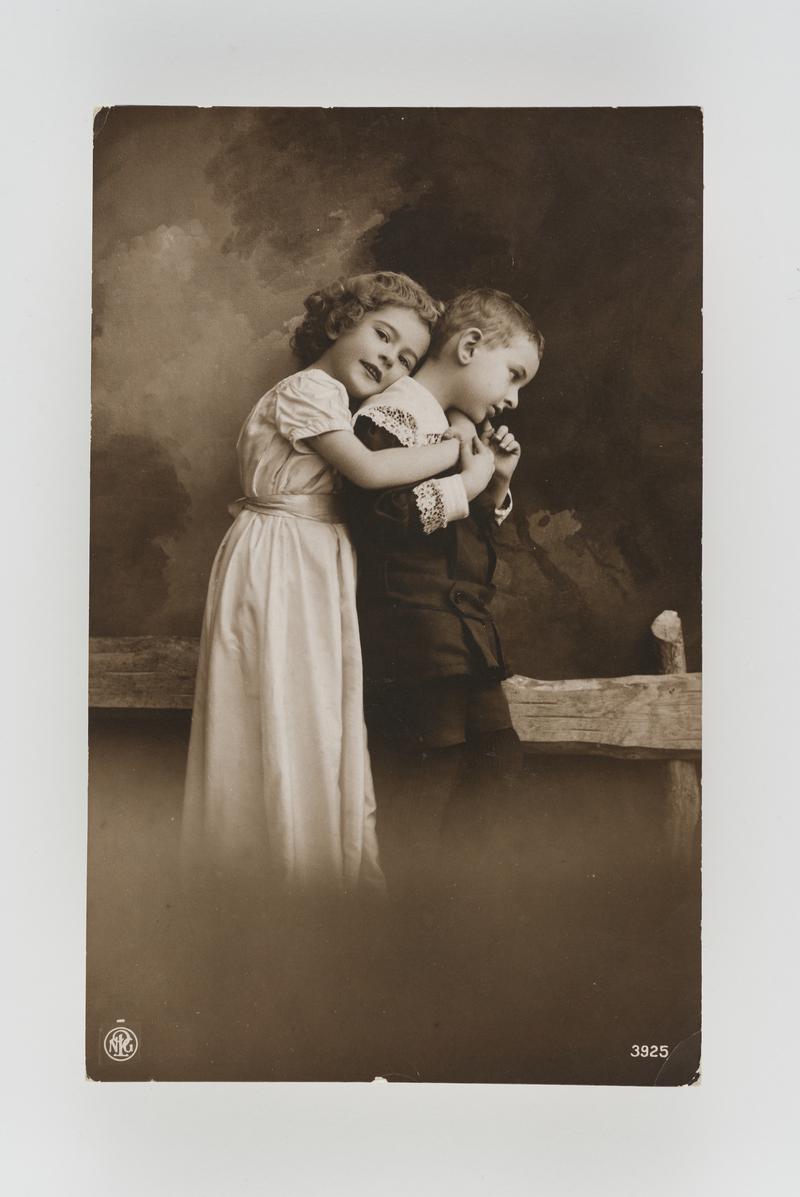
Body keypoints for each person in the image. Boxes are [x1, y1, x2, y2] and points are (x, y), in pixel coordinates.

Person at [180, 271, 469, 901]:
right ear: (341, 323)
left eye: (404, 360)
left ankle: (311, 871)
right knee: (277, 703)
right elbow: (368, 472)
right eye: (381, 335)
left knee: (313, 711)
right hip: (278, 558)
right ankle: (271, 875)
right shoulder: (307, 389)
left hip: (315, 560)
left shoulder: (343, 404)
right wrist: (453, 453)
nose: (388, 360)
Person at [346, 288, 544, 900]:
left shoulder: (463, 433)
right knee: (421, 802)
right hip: (409, 643)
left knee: (496, 769)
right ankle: (410, 949)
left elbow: (462, 546)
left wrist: (493, 487)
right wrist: (471, 477)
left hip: (465, 643)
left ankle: (458, 935)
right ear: (468, 346)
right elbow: (380, 517)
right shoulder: (385, 419)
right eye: (513, 376)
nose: (512, 398)